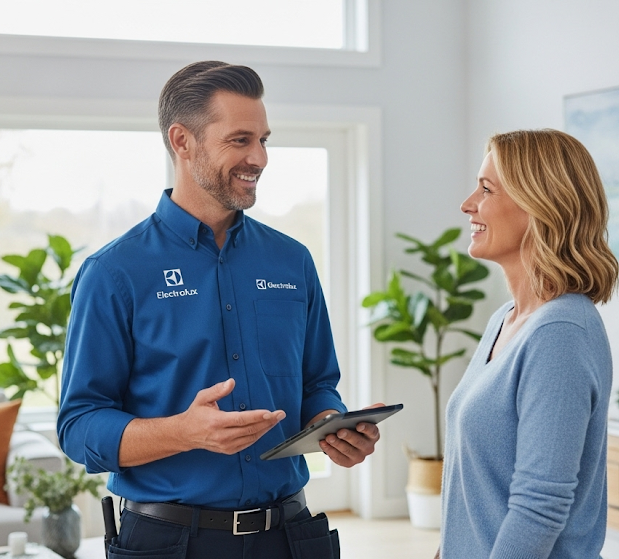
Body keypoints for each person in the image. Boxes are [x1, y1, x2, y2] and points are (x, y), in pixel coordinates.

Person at [57, 61, 381, 559]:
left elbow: (318, 382)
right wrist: (182, 432)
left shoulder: (292, 260)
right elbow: (79, 427)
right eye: (240, 140)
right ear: (182, 141)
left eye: (264, 140)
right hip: (169, 544)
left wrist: (333, 425)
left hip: (291, 537)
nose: (260, 158)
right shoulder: (114, 273)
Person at [439, 130, 619, 559]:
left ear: (540, 204)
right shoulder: (507, 320)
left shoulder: (560, 334)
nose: (468, 204)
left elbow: (539, 509)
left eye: (486, 190)